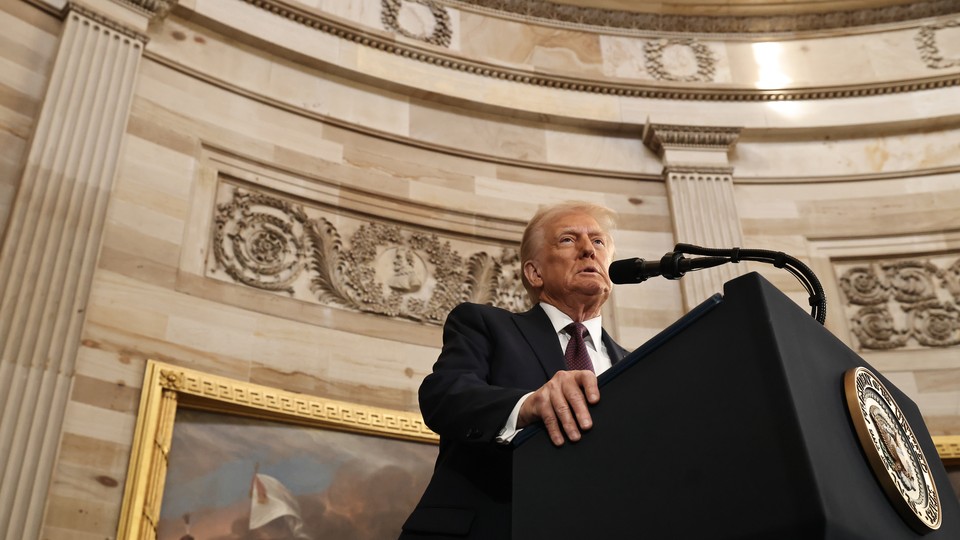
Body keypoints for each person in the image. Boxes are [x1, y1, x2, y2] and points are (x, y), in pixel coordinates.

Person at [400, 202, 630, 539]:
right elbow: (444, 396)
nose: (587, 251)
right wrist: (527, 406)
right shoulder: (485, 325)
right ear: (534, 272)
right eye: (568, 240)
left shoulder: (635, 365)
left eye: (598, 242)